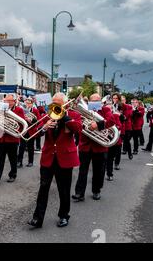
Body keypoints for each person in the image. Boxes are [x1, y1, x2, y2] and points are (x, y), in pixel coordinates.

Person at [28, 93, 82, 229]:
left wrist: (64, 116)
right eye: (53, 103)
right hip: (48, 157)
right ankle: (37, 218)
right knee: (43, 188)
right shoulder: (47, 115)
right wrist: (44, 127)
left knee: (64, 190)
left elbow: (78, 129)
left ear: (64, 103)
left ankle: (64, 216)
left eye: (58, 103)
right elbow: (36, 132)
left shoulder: (73, 115)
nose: (55, 106)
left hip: (64, 158)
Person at [73, 93, 114, 202]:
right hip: (85, 145)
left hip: (100, 146)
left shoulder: (105, 110)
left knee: (99, 170)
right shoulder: (84, 110)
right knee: (82, 170)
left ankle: (96, 190)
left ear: (100, 101)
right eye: (92, 100)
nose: (94, 102)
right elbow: (78, 123)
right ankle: (79, 193)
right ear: (89, 101)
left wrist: (98, 125)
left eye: (97, 100)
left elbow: (111, 121)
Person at [0, 95, 25, 184]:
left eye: (9, 101)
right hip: (2, 138)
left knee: (13, 158)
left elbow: (21, 124)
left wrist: (13, 129)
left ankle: (12, 175)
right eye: (5, 101)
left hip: (12, 139)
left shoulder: (19, 110)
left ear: (14, 101)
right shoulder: (1, 109)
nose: (7, 103)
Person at [18, 98, 41, 168]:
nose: (27, 104)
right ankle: (19, 162)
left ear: (32, 104)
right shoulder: (22, 110)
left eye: (29, 103)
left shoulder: (35, 110)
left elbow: (38, 121)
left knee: (30, 147)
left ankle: (30, 162)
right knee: (21, 147)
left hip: (31, 131)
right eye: (26, 103)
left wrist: (31, 120)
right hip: (24, 130)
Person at [106, 103, 123, 181]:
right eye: (107, 108)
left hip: (112, 139)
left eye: (110, 108)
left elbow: (119, 126)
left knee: (110, 158)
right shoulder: (101, 115)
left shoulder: (115, 116)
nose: (108, 110)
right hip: (103, 139)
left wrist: (111, 129)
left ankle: (110, 174)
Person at [121, 96, 134, 160]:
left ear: (125, 100)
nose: (122, 102)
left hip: (127, 126)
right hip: (120, 126)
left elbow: (128, 115)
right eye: (121, 100)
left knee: (127, 141)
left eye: (123, 100)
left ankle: (129, 153)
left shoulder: (129, 107)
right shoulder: (118, 106)